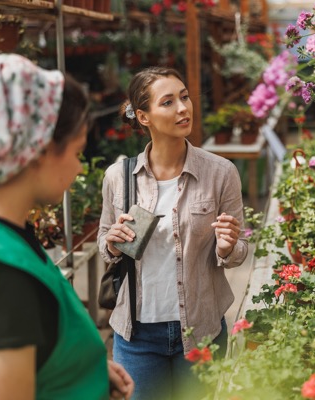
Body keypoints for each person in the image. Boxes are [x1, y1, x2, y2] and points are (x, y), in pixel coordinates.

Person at [0, 54, 134, 400]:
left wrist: (81, 369)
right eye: (78, 152)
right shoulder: (2, 277)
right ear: (37, 151)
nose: (80, 169)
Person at [98, 67, 249, 400]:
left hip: (201, 330)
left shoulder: (220, 173)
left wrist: (228, 247)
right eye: (168, 102)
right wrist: (111, 243)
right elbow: (104, 243)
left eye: (184, 97)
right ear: (143, 116)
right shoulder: (118, 177)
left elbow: (240, 250)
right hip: (136, 335)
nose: (183, 108)